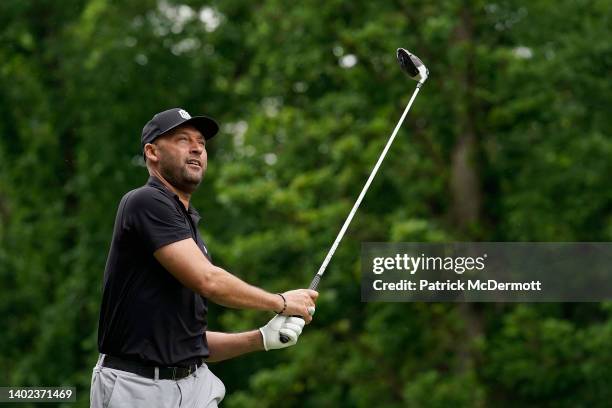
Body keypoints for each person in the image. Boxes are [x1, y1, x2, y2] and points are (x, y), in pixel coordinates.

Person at [90, 107, 318, 408]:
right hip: (138, 388)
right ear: (152, 152)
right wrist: (281, 302)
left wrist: (261, 338)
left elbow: (188, 344)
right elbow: (208, 280)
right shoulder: (145, 202)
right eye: (183, 139)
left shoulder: (186, 223)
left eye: (201, 142)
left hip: (195, 385)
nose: (197, 147)